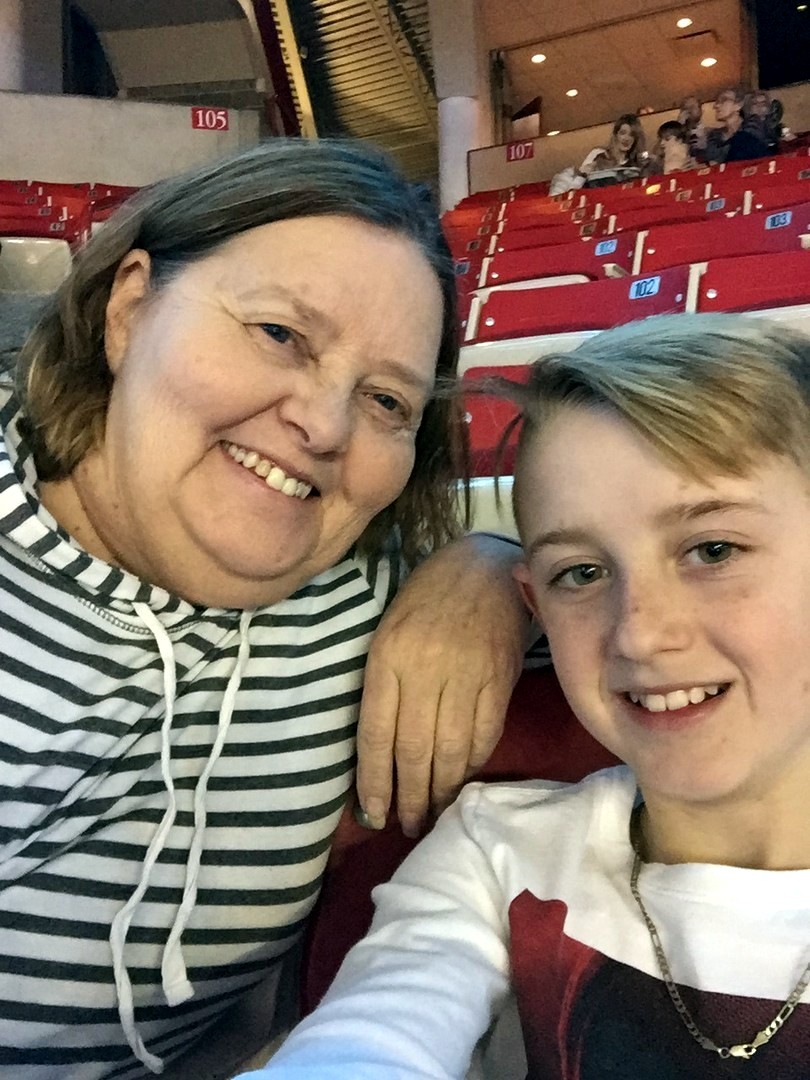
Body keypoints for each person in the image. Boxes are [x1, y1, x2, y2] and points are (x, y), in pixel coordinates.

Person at [0, 138, 529, 1078]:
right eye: (280, 334)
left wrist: (490, 572)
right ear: (129, 310)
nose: (324, 426)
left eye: (386, 401)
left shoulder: (360, 595)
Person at [253, 315, 810, 1079]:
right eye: (581, 573)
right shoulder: (498, 851)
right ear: (535, 602)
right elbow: (373, 1037)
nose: (639, 634)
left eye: (712, 550)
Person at [549, 114, 647, 196]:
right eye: (623, 133)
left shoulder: (637, 163)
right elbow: (578, 184)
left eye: (632, 135)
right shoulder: (598, 154)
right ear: (615, 135)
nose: (627, 138)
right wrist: (585, 173)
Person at [705, 87, 769, 163]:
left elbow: (745, 145)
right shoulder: (715, 135)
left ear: (738, 105)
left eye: (724, 100)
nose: (716, 106)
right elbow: (712, 157)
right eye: (717, 102)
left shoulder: (753, 123)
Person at [677, 94, 707, 159]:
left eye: (692, 107)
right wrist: (678, 126)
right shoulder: (675, 132)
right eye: (685, 108)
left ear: (701, 111)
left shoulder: (709, 132)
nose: (689, 110)